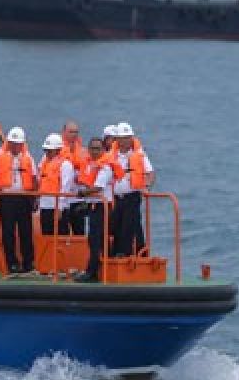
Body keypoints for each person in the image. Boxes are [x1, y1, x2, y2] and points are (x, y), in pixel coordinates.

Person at [0, 126, 36, 274]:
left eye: (19, 143)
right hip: (7, 198)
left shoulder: (28, 158)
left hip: (24, 198)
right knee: (8, 231)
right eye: (13, 143)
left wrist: (34, 198)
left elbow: (34, 178)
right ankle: (11, 262)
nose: (16, 146)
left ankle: (28, 262)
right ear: (8, 143)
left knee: (26, 231)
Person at [75, 136, 115, 282]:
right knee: (98, 239)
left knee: (96, 239)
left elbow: (98, 187)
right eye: (92, 148)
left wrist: (81, 193)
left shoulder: (105, 166)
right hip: (93, 205)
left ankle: (92, 271)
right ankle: (105, 268)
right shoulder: (90, 165)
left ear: (103, 150)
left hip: (102, 206)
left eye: (98, 149)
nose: (94, 152)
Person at [112, 121, 154, 256]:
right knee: (116, 226)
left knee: (128, 227)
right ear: (117, 139)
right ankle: (121, 254)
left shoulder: (139, 154)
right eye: (122, 138)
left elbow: (150, 173)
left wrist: (146, 186)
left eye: (128, 137)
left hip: (132, 196)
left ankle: (126, 255)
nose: (125, 140)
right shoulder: (112, 155)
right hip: (116, 198)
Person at [37, 133, 77, 236]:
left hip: (58, 208)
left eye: (50, 150)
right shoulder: (43, 163)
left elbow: (65, 187)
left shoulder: (65, 165)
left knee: (61, 236)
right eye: (46, 150)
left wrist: (60, 208)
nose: (47, 153)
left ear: (58, 150)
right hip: (45, 206)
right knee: (46, 236)